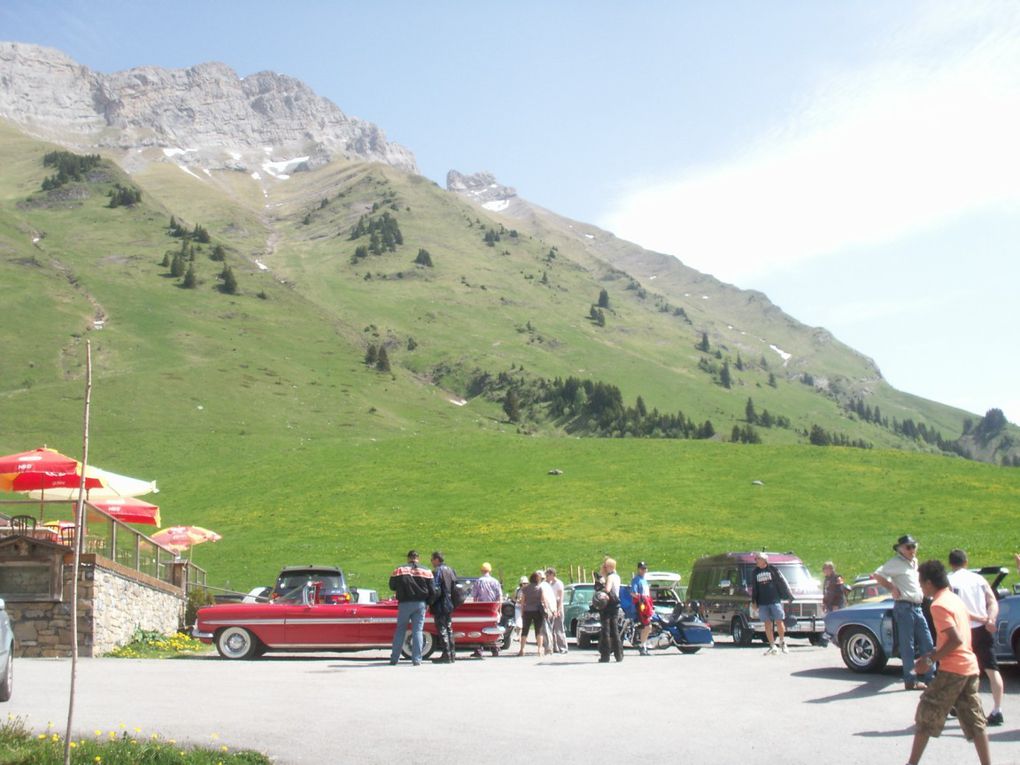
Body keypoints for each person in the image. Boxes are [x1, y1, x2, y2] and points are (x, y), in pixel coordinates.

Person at [905, 560, 991, 765]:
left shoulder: (939, 605)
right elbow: (956, 638)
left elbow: (955, 640)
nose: (920, 586)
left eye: (920, 582)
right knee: (975, 719)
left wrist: (930, 660)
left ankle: (911, 763)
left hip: (954, 669)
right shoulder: (954, 599)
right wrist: (932, 653)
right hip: (969, 667)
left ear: (928, 582)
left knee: (927, 713)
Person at [948, 549, 1005, 726]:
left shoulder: (950, 580)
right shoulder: (979, 579)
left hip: (964, 630)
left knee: (961, 670)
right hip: (983, 629)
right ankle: (997, 710)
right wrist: (990, 618)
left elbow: (958, 608)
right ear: (966, 562)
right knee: (991, 668)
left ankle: (960, 705)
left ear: (951, 564)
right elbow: (992, 601)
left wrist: (980, 618)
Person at [874, 534, 935, 690]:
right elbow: (877, 575)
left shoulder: (914, 562)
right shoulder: (895, 562)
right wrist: (892, 588)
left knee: (927, 642)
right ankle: (910, 679)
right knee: (907, 645)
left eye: (914, 546)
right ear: (900, 549)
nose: (912, 550)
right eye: (908, 547)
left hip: (917, 606)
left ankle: (931, 678)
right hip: (904, 606)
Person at [388, 549, 436, 666]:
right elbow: (433, 590)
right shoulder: (426, 570)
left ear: (408, 558)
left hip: (404, 603)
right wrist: (428, 603)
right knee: (418, 631)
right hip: (420, 604)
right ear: (418, 558)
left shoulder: (399, 569)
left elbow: (392, 586)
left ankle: (394, 658)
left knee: (400, 630)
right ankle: (417, 659)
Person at [751, 552, 793, 655]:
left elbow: (782, 582)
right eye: (756, 559)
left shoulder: (773, 569)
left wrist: (788, 595)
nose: (756, 561)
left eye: (758, 559)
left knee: (779, 620)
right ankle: (772, 645)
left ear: (764, 560)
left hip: (774, 600)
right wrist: (754, 601)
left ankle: (782, 642)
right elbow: (754, 588)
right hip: (762, 602)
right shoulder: (755, 572)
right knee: (767, 623)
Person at [470, 562, 503, 658]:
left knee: (479, 628)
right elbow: (499, 596)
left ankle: (478, 650)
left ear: (481, 570)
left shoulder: (479, 581)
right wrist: (499, 609)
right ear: (490, 571)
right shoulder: (495, 581)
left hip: (481, 608)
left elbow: (474, 597)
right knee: (493, 628)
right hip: (492, 608)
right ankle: (495, 649)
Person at [430, 551, 457, 663]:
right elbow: (455, 586)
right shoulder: (450, 570)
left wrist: (430, 601)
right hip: (449, 602)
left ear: (437, 559)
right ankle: (452, 654)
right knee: (449, 628)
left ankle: (446, 654)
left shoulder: (437, 571)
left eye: (432, 559)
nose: (431, 562)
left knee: (441, 628)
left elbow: (435, 588)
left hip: (440, 603)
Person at [598, 557, 623, 663]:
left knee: (606, 631)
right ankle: (619, 655)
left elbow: (607, 590)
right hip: (616, 605)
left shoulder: (610, 577)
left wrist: (601, 584)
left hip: (608, 606)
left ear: (609, 567)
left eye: (605, 566)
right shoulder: (617, 577)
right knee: (615, 631)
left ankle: (605, 655)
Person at [517, 571, 546, 656]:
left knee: (525, 630)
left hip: (527, 611)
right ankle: (539, 649)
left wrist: (522, 612)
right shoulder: (539, 588)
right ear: (538, 579)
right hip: (537, 611)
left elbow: (522, 602)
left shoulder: (525, 589)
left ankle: (522, 650)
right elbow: (543, 600)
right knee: (539, 630)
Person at [631, 561, 654, 655]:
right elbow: (633, 593)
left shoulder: (644, 580)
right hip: (641, 606)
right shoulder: (636, 580)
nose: (644, 570)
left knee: (648, 627)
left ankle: (643, 645)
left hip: (647, 605)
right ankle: (642, 646)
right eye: (642, 568)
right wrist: (642, 598)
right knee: (648, 626)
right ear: (638, 569)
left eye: (645, 568)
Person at [545, 567, 568, 654]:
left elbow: (560, 598)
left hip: (558, 607)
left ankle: (563, 647)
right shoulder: (549, 584)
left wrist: (558, 610)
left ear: (552, 575)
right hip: (551, 608)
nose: (547, 577)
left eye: (548, 575)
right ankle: (555, 647)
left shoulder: (559, 584)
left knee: (559, 628)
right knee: (552, 629)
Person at [538, 569, 556, 656]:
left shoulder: (541, 586)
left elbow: (544, 599)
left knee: (545, 630)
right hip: (551, 610)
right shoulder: (548, 585)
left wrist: (547, 609)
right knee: (549, 629)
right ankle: (550, 648)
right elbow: (553, 598)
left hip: (545, 609)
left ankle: (548, 649)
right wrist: (554, 610)